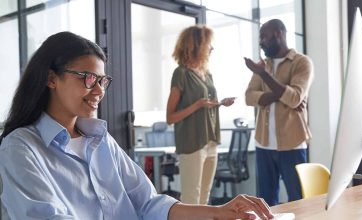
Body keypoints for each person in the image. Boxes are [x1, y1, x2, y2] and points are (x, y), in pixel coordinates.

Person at [0, 31, 274, 220]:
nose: (99, 91)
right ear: (51, 79)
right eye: (87, 78)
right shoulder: (20, 148)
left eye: (102, 81)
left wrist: (218, 211)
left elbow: (147, 203)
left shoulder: (100, 139)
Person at [244, 19, 314, 206]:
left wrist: (265, 77)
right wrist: (282, 94)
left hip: (293, 143)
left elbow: (295, 98)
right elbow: (249, 97)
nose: (260, 42)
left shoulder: (302, 62)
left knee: (297, 199)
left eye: (263, 37)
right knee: (265, 202)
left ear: (278, 34)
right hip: (263, 144)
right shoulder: (263, 64)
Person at [166, 25, 236, 205]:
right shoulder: (180, 74)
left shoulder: (207, 74)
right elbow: (170, 117)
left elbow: (208, 104)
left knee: (205, 197)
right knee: (191, 198)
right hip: (192, 142)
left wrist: (220, 103)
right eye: (208, 44)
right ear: (195, 45)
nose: (211, 48)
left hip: (210, 140)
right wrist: (197, 105)